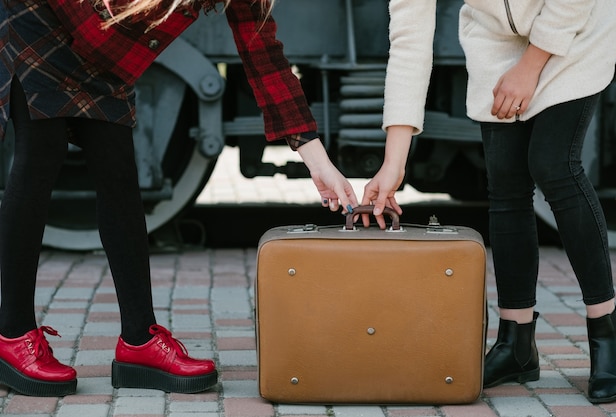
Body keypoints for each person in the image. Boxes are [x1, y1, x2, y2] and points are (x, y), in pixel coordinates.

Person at [0, 0, 358, 397]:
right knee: (40, 154)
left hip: (102, 44)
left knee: (118, 171)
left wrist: (317, 158)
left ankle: (138, 341)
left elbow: (262, 52)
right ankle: (13, 333)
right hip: (45, 14)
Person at [363, 0, 616, 404]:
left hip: (576, 23)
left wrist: (530, 67)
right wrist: (394, 163)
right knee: (505, 183)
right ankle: (516, 344)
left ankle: (609, 336)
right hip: (496, 40)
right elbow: (410, 41)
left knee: (554, 165)